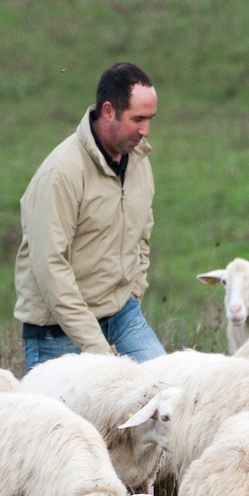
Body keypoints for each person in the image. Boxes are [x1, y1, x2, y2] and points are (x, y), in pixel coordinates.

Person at [14, 62, 166, 368]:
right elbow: (50, 267)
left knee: (166, 397)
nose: (145, 131)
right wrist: (98, 350)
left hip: (123, 315)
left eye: (150, 119)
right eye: (138, 119)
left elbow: (142, 233)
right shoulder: (63, 173)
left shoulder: (139, 162)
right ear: (108, 111)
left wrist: (134, 293)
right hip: (57, 331)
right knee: (64, 418)